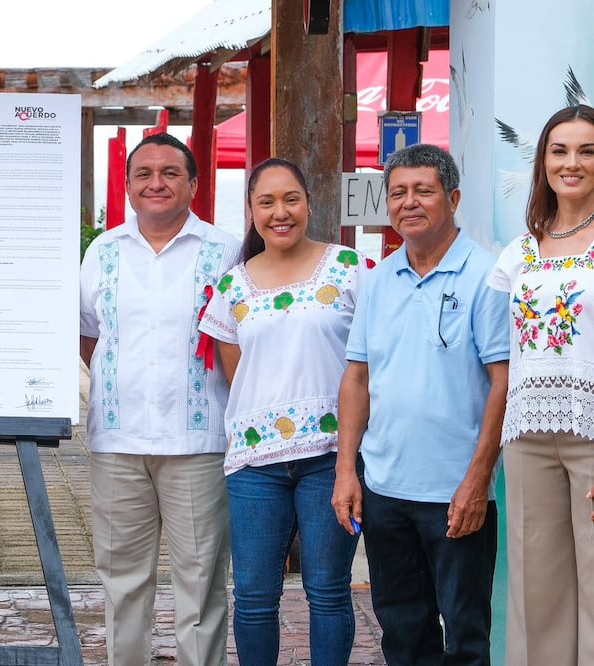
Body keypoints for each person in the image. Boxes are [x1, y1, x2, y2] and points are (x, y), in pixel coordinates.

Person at [332, 144, 509, 665]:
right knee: (403, 631)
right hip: (385, 490)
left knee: (465, 637)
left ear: (452, 198)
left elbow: (503, 382)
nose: (410, 203)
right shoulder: (380, 278)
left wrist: (478, 481)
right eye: (399, 193)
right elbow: (357, 378)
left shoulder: (487, 276)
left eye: (424, 191)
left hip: (456, 492)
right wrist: (348, 470)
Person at [80, 132, 240, 666]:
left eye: (170, 172)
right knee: (121, 579)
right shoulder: (103, 251)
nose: (156, 182)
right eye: (144, 173)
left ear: (193, 184)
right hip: (117, 441)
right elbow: (90, 334)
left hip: (196, 441)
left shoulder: (227, 251)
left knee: (200, 581)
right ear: (126, 186)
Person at [199, 157, 366, 666]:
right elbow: (239, 376)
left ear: (309, 203)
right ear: (250, 211)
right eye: (266, 202)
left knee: (329, 592)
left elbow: (367, 365)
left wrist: (349, 462)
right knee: (252, 598)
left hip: (331, 460)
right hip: (254, 467)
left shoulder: (350, 269)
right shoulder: (232, 289)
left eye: (290, 199)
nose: (280, 212)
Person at [488, 103, 594, 666]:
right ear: (543, 162)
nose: (571, 163)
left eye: (587, 150)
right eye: (560, 150)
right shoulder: (519, 251)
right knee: (535, 590)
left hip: (592, 433)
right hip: (526, 435)